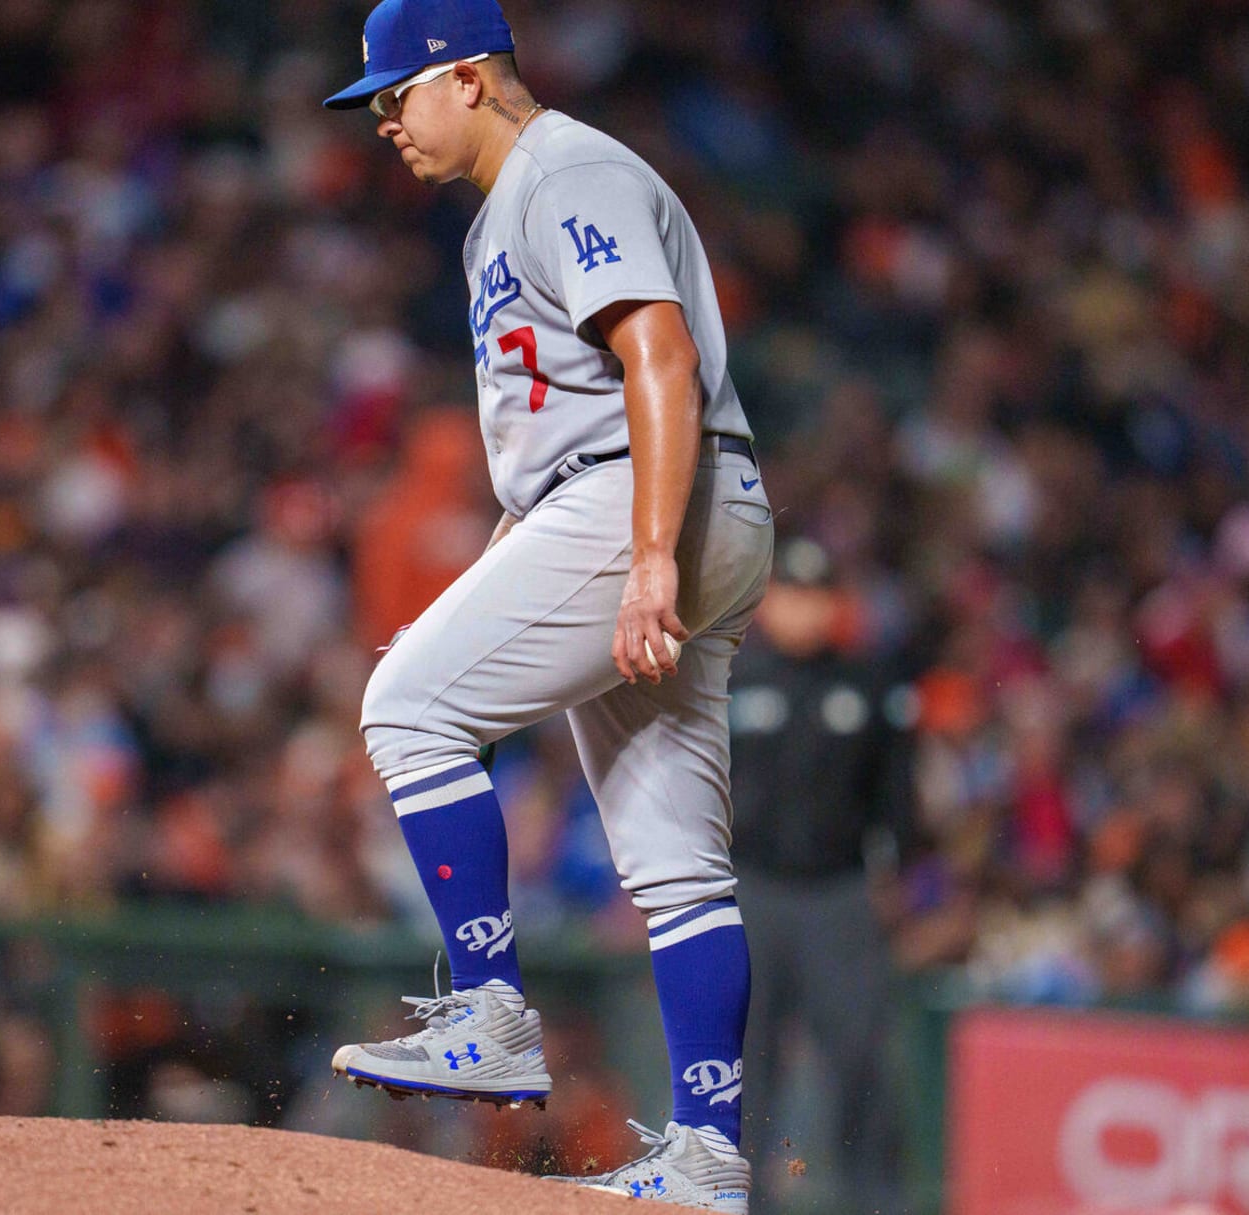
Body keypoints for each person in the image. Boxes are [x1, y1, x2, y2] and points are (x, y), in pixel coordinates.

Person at [321, 1, 773, 1209]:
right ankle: (710, 1155)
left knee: (407, 707)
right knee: (677, 869)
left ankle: (489, 1015)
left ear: (466, 77)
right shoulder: (507, 212)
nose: (381, 122)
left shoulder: (565, 168)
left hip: (649, 494)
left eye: (394, 94)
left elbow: (659, 359)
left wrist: (647, 558)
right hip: (656, 498)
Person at [729, 537, 914, 1214]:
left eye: (816, 595)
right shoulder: (734, 679)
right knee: (745, 1065)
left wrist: (896, 880)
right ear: (770, 600)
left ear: (836, 604)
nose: (803, 609)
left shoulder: (868, 686)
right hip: (749, 889)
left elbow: (898, 800)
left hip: (838, 892)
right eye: (791, 593)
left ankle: (877, 1200)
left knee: (861, 1058)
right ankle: (737, 1202)